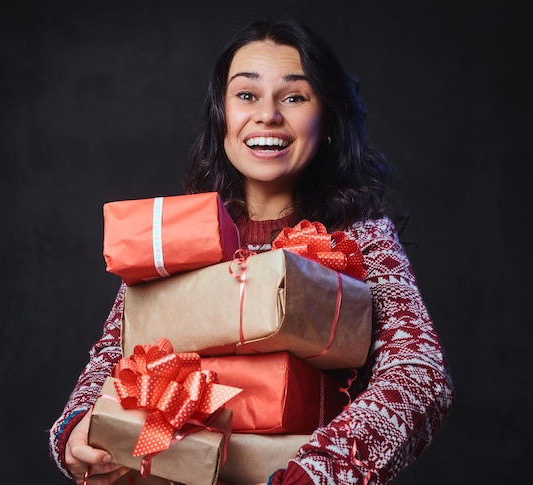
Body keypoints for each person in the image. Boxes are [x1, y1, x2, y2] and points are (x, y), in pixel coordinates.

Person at [48, 17, 454, 485]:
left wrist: (317, 473)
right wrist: (75, 430)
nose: (268, 115)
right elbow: (112, 354)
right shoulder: (182, 234)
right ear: (223, 118)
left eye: (295, 97)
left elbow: (419, 372)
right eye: (246, 95)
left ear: (326, 123)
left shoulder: (361, 240)